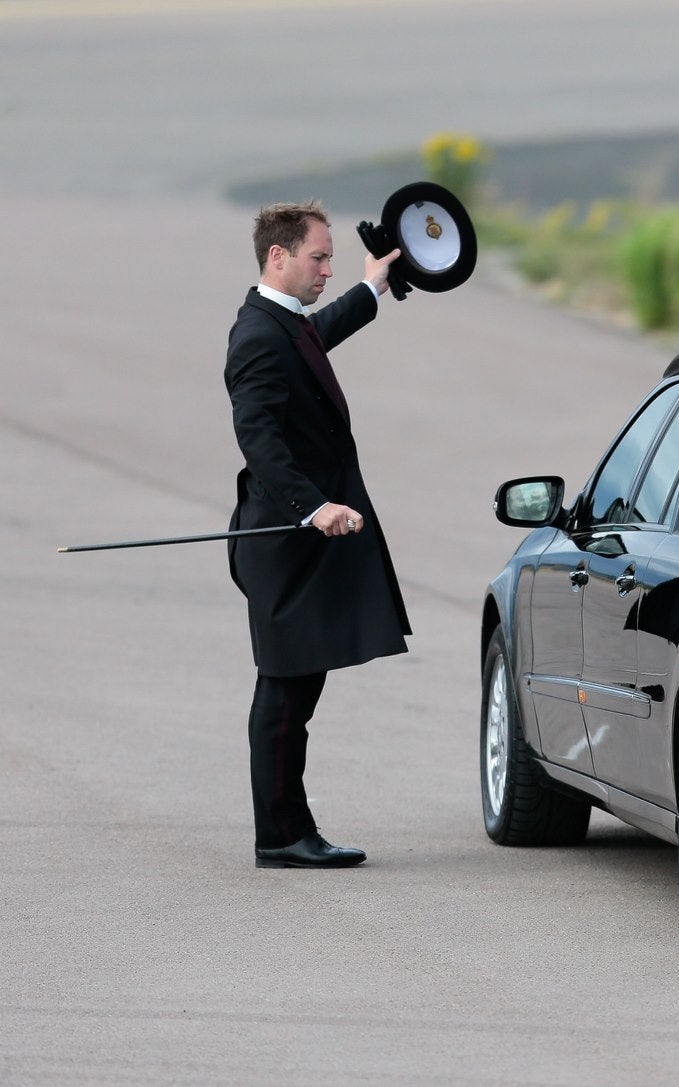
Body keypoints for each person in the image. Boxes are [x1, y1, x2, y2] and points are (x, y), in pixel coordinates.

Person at [224, 201, 405, 869]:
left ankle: (289, 826)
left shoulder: (282, 323)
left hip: (298, 539)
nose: (326, 269)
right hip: (283, 541)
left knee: (299, 687)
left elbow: (314, 336)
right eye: (319, 258)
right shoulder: (256, 338)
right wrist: (312, 506)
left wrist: (371, 287)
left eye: (330, 259)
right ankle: (279, 834)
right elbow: (259, 439)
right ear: (279, 256)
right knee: (285, 691)